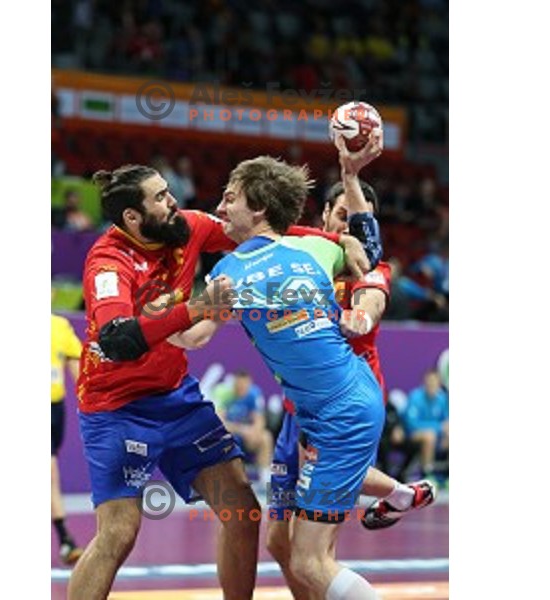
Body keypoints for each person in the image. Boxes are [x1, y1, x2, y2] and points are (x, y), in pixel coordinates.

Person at [68, 164, 371, 600]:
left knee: (242, 510)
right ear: (133, 218)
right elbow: (117, 340)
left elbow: (266, 232)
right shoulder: (108, 262)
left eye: (168, 192)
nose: (174, 201)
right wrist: (197, 308)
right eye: (160, 198)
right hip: (117, 408)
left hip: (176, 398)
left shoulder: (186, 226)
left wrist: (336, 239)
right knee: (118, 533)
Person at [171, 155, 388, 599]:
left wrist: (146, 314)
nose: (220, 207)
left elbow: (192, 337)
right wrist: (348, 228)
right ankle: (401, 493)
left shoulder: (229, 274)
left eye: (230, 199)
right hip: (343, 404)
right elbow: (363, 247)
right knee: (295, 550)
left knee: (307, 560)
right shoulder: (319, 251)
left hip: (339, 416)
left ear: (259, 209)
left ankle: (401, 493)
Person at [263, 136, 435, 598]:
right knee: (281, 544)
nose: (351, 225)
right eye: (342, 215)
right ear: (324, 218)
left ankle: (397, 492)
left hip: (342, 407)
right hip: (297, 410)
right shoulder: (302, 252)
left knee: (315, 551)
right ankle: (399, 492)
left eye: (358, 218)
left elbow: (362, 321)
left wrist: (319, 310)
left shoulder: (371, 269)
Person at [51, 313, 84, 565]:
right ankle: (64, 539)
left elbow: (81, 376)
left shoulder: (59, 326)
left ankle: (64, 539)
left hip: (53, 409)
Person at [212, 371, 273, 488]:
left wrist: (255, 432)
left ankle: (264, 478)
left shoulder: (254, 393)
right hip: (230, 434)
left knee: (266, 437)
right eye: (239, 387)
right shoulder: (223, 393)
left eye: (245, 387)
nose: (242, 390)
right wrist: (242, 430)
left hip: (247, 436)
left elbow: (259, 419)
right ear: (234, 384)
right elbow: (219, 423)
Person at [403, 369, 449, 480]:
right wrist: (439, 428)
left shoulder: (442, 398)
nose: (432, 385)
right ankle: (427, 474)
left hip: (437, 436)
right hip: (412, 434)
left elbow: (446, 421)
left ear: (439, 384)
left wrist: (446, 432)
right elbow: (411, 424)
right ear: (425, 382)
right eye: (429, 382)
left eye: (435, 382)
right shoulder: (415, 397)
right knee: (429, 436)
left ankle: (448, 475)